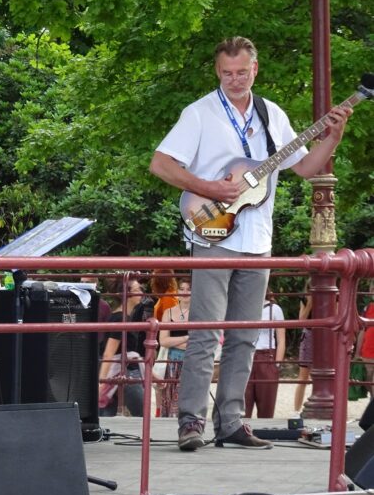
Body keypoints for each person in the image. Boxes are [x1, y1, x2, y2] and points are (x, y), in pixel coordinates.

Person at [149, 36, 352, 451]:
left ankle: (230, 422)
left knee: (245, 335)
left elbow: (307, 168)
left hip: (258, 240)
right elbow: (161, 163)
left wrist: (332, 137)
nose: (235, 80)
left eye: (242, 72)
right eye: (227, 73)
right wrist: (209, 187)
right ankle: (191, 422)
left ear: (255, 69)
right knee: (206, 333)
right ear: (217, 72)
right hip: (212, 235)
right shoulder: (200, 113)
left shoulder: (271, 114)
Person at [98, 277, 152, 417]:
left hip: (121, 370)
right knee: (143, 414)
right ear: (127, 295)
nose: (141, 292)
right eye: (137, 289)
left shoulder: (122, 316)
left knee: (107, 413)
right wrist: (102, 381)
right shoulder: (120, 318)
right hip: (123, 371)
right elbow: (109, 352)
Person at [244, 290, 286, 418]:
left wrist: (277, 365)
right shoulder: (243, 306)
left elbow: (281, 338)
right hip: (246, 355)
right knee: (243, 405)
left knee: (267, 406)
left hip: (267, 355)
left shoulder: (275, 309)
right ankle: (242, 434)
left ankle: (264, 433)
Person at [158, 279, 191, 417]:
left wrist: (173, 341)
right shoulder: (168, 312)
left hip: (190, 363)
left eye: (188, 289)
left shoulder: (199, 313)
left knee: (187, 402)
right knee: (168, 401)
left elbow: (197, 342)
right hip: (170, 364)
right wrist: (185, 338)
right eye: (181, 289)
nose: (184, 292)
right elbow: (163, 341)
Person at [294, 288, 313, 413]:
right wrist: (310, 303)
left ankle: (316, 406)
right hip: (309, 335)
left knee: (322, 376)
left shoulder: (334, 296)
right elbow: (301, 320)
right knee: (303, 378)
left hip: (325, 336)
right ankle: (296, 411)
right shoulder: (304, 298)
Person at [356, 281, 374, 398]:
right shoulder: (368, 308)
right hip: (368, 350)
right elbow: (362, 330)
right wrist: (357, 352)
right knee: (368, 382)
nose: (372, 291)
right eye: (372, 288)